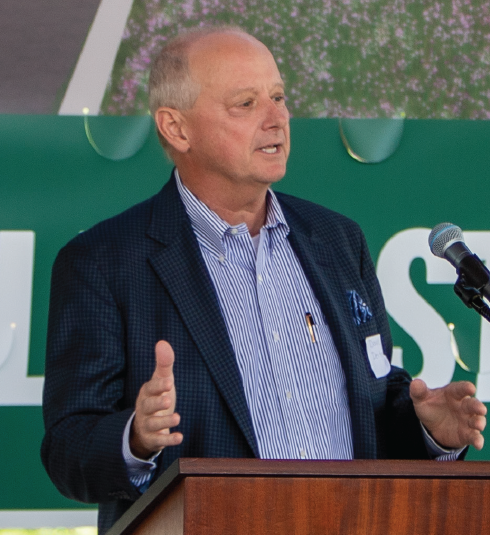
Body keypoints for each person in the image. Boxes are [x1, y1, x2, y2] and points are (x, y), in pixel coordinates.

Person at [41, 26, 487, 534]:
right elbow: (68, 447)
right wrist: (135, 438)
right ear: (176, 127)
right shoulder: (103, 262)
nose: (277, 119)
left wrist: (428, 430)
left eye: (279, 97)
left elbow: (377, 400)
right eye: (246, 104)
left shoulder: (338, 241)